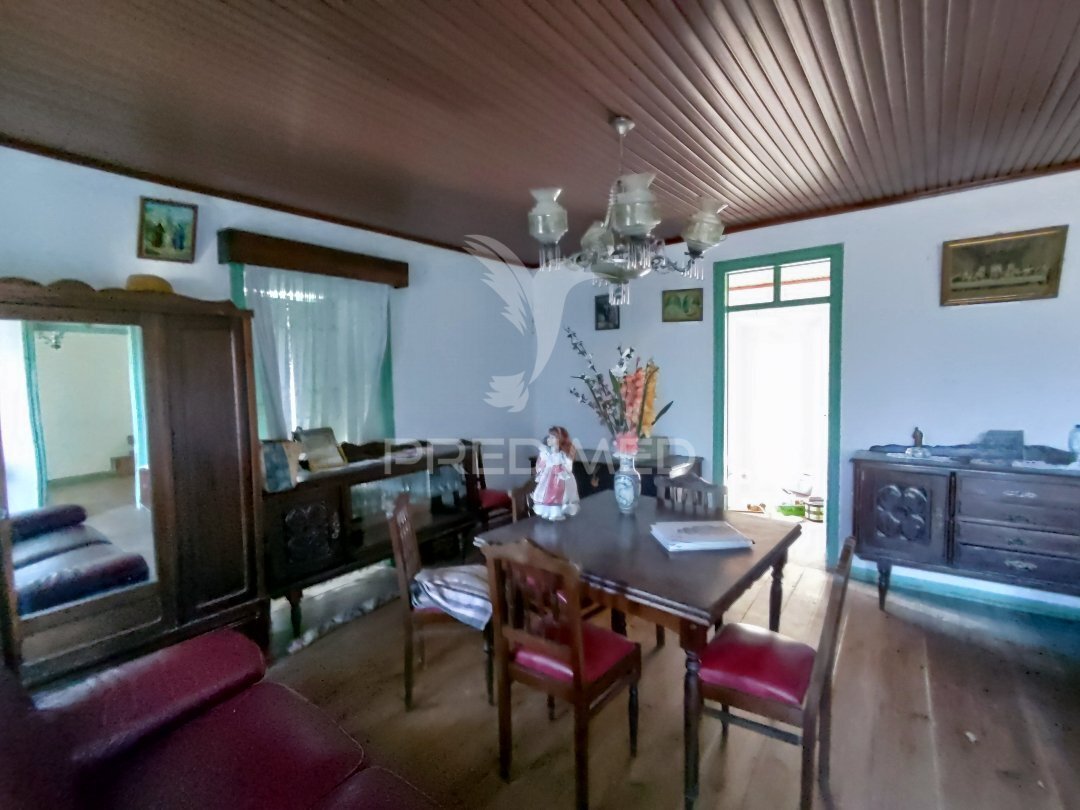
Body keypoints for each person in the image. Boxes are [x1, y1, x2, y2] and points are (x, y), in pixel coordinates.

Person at [532, 426, 580, 520]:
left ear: (559, 439)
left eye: (552, 437)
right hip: (548, 477)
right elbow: (541, 464)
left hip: (560, 478)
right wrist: (542, 467)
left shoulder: (563, 454)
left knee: (559, 494)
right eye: (549, 437)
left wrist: (559, 468)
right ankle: (549, 511)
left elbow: (568, 467)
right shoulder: (546, 452)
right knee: (546, 493)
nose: (549, 439)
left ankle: (557, 511)